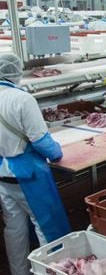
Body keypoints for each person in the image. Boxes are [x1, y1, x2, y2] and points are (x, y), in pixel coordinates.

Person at [0, 54, 71, 275]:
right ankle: (50, 271)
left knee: (14, 228)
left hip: (2, 172)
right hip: (28, 175)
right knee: (45, 225)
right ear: (17, 73)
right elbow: (40, 140)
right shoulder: (22, 99)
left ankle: (19, 271)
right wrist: (57, 154)